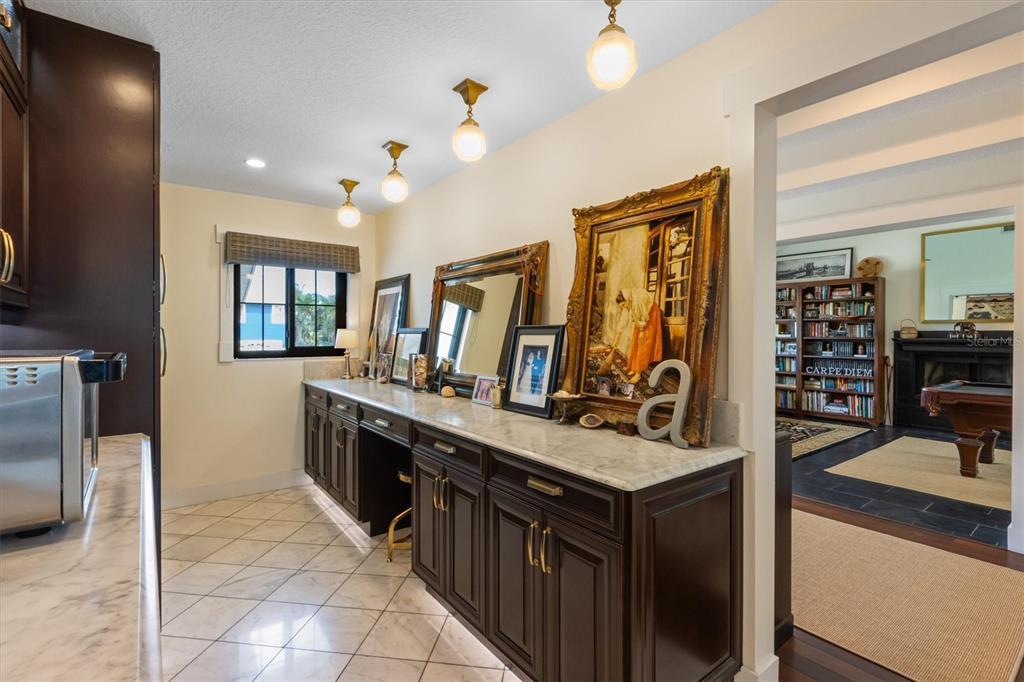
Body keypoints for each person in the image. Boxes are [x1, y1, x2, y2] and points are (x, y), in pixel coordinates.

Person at [616, 288, 663, 381]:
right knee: (635, 341)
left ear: (627, 300)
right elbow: (625, 319)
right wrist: (618, 335)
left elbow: (643, 316)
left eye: (623, 304)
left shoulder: (638, 301)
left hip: (650, 316)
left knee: (643, 344)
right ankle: (633, 367)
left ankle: (638, 373)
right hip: (641, 319)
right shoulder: (629, 299)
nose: (624, 307)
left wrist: (642, 331)